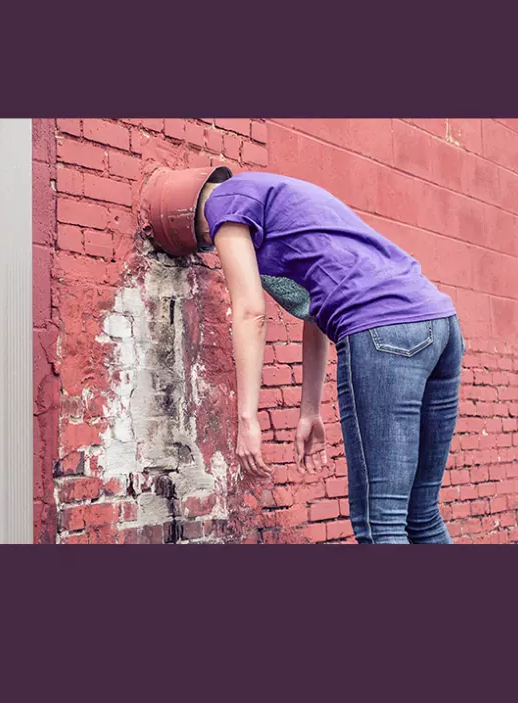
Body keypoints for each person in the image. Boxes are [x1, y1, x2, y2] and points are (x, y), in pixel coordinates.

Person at [196, 170, 463, 544]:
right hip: (441, 325)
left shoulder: (222, 204)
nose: (213, 247)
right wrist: (309, 411)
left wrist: (247, 420)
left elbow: (250, 312)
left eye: (208, 243)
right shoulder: (291, 200)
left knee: (380, 523)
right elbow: (315, 313)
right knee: (422, 517)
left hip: (382, 331)